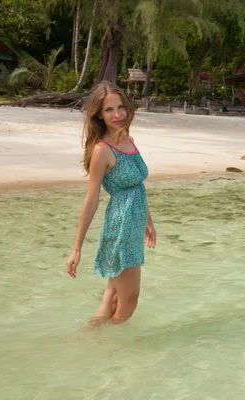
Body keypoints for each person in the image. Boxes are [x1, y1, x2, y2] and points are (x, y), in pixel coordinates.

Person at [66, 81, 157, 327]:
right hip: (121, 226)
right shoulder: (101, 151)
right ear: (98, 114)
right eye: (109, 110)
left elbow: (136, 186)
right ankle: (115, 344)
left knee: (113, 295)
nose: (117, 115)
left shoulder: (128, 139)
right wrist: (77, 248)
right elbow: (92, 199)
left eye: (120, 107)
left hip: (134, 223)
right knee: (130, 299)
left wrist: (148, 222)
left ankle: (92, 341)